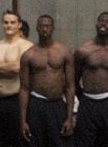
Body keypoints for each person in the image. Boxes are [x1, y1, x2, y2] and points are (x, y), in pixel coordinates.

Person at [74, 12, 108, 147]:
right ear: (96, 23)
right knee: (84, 141)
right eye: (101, 21)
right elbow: (74, 79)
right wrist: (83, 96)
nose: (103, 24)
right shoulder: (83, 51)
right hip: (87, 102)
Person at [19, 14, 74, 147]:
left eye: (48, 26)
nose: (45, 29)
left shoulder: (64, 52)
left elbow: (70, 86)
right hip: (36, 104)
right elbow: (24, 88)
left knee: (60, 142)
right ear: (37, 28)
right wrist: (23, 121)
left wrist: (69, 118)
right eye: (42, 26)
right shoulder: (28, 55)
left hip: (57, 104)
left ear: (53, 28)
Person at [0, 10, 33, 147]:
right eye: (6, 22)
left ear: (19, 25)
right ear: (2, 24)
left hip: (15, 101)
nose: (9, 25)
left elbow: (17, 68)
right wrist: (8, 70)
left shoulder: (26, 45)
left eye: (12, 22)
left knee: (17, 141)